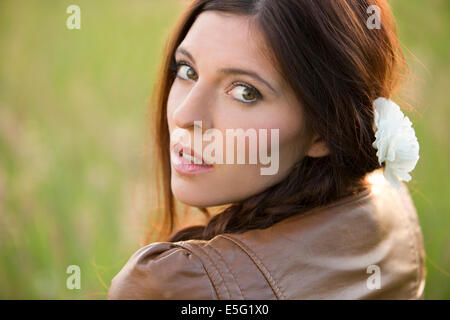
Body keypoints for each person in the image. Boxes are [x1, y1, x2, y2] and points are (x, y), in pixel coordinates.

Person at [107, 0, 426, 299]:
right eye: (187, 71)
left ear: (323, 133)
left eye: (245, 92)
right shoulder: (390, 210)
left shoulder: (177, 284)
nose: (185, 115)